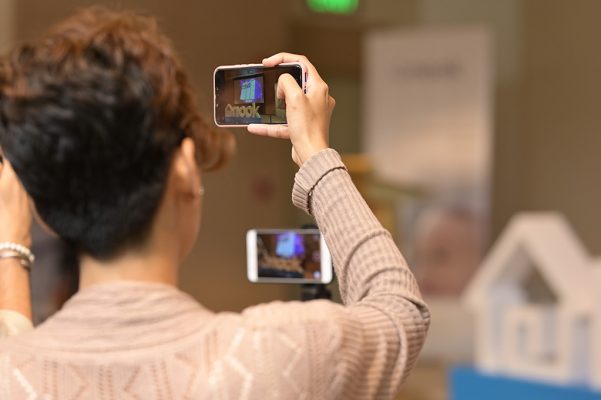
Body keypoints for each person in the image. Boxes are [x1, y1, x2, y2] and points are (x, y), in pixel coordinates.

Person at [0, 8, 430, 399]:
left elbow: (18, 346)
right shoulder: (279, 355)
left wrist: (11, 247)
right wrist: (317, 156)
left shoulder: (11, 373)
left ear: (44, 211)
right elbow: (399, 310)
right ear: (186, 169)